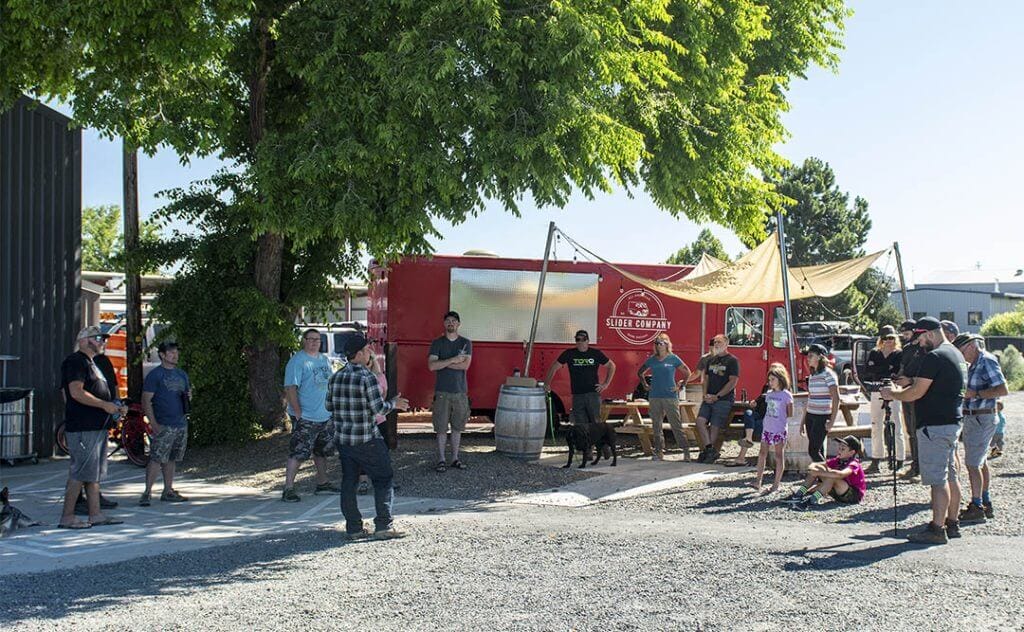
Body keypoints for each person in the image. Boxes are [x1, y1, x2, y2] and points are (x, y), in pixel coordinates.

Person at [883, 317, 969, 545]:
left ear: (929, 334)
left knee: (937, 480)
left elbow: (916, 393)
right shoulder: (956, 354)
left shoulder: (934, 356)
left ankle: (937, 529)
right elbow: (940, 382)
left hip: (935, 425)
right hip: (951, 422)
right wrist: (911, 380)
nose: (919, 344)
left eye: (920, 339)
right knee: (951, 476)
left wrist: (893, 393)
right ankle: (952, 522)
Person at [328, 334, 410, 540]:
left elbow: (328, 406)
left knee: (349, 482)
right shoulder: (368, 378)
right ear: (358, 354)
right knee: (383, 479)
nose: (370, 353)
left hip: (344, 440)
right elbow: (379, 408)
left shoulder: (336, 377)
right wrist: (395, 404)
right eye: (366, 350)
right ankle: (383, 526)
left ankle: (353, 528)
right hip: (367, 439)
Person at [58, 326, 127, 529]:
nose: (102, 341)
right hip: (83, 426)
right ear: (83, 340)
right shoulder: (76, 361)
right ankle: (67, 517)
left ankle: (95, 514)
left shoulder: (93, 363)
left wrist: (115, 407)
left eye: (103, 338)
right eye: (97, 338)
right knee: (80, 471)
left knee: (93, 473)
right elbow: (76, 392)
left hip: (97, 426)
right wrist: (104, 405)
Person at [953, 333, 1008, 523]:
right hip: (975, 416)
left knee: (973, 463)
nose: (961, 355)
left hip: (981, 417)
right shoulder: (974, 363)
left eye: (961, 351)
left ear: (970, 346)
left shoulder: (986, 361)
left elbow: (1003, 389)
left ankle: (977, 506)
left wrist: (976, 394)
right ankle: (985, 501)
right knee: (980, 461)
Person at [281, 329, 339, 502]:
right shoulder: (297, 361)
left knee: (321, 451)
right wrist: (297, 411)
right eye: (311, 339)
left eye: (317, 339)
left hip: (325, 415)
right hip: (306, 416)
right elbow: (290, 388)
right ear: (304, 341)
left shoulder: (324, 359)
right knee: (299, 451)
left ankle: (322, 483)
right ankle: (288, 488)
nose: (314, 342)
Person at [139, 342, 192, 506]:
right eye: (171, 352)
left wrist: (188, 397)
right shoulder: (155, 375)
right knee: (157, 457)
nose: (175, 355)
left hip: (180, 422)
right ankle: (147, 492)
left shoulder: (182, 374)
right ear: (162, 355)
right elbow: (146, 400)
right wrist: (153, 423)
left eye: (176, 352)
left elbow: (187, 395)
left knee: (171, 458)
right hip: (163, 423)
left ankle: (168, 490)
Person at [428, 311, 473, 472]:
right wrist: (453, 360)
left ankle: (455, 458)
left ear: (458, 324)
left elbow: (465, 365)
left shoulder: (466, 343)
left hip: (460, 391)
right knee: (441, 428)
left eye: (454, 321)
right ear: (444, 324)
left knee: (457, 428)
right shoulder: (437, 343)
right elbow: (432, 366)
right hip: (442, 392)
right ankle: (441, 459)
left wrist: (443, 363)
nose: (451, 323)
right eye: (448, 320)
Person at [544, 329, 616, 426]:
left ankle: (595, 436)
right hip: (577, 395)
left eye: (583, 339)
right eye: (578, 339)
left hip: (593, 394)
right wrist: (547, 383)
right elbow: (554, 367)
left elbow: (612, 365)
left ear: (588, 341)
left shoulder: (595, 353)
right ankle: (583, 436)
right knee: (580, 425)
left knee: (596, 423)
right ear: (575, 341)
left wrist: (606, 384)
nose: (581, 342)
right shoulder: (569, 353)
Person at [637, 333, 691, 461]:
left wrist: (681, 385)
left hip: (670, 396)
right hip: (655, 395)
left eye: (661, 342)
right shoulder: (652, 359)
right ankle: (659, 451)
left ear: (667, 344)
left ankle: (686, 451)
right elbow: (640, 372)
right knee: (656, 425)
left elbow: (687, 372)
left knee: (676, 424)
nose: (658, 345)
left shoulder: (673, 358)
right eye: (656, 343)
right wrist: (645, 384)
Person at [863, 326, 904, 473]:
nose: (888, 341)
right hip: (876, 389)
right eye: (885, 338)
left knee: (896, 423)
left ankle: (899, 459)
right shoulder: (875, 353)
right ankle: (876, 458)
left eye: (891, 338)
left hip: (893, 389)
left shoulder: (899, 354)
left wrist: (882, 369)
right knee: (876, 424)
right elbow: (869, 370)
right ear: (881, 339)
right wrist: (887, 368)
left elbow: (896, 371)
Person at [747, 364, 793, 493]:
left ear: (780, 379)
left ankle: (776, 484)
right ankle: (758, 481)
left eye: (773, 379)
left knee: (779, 455)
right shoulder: (768, 394)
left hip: (779, 429)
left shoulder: (786, 395)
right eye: (769, 380)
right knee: (762, 453)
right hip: (767, 427)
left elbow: (790, 413)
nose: (770, 382)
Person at [783, 436, 867, 507]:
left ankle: (811, 501)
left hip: (852, 496)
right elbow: (817, 464)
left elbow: (841, 475)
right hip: (840, 491)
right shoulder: (838, 460)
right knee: (819, 470)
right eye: (839, 448)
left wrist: (819, 473)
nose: (839, 451)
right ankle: (799, 494)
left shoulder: (854, 463)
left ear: (851, 452)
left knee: (832, 476)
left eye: (843, 449)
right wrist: (813, 469)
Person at [695, 335, 740, 464]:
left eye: (719, 342)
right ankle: (710, 450)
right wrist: (705, 395)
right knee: (700, 421)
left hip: (724, 399)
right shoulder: (710, 360)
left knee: (715, 426)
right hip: (709, 397)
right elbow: (706, 379)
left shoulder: (732, 361)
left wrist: (717, 396)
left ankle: (708, 452)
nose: (716, 344)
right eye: (715, 342)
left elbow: (733, 381)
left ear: (726, 344)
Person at [896, 319, 925, 478]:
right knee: (910, 431)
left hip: (919, 391)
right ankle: (915, 465)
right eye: (903, 334)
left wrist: (910, 380)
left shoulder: (924, 348)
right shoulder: (907, 348)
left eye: (907, 333)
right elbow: (902, 367)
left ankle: (921, 466)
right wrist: (897, 377)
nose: (905, 337)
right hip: (906, 392)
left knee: (918, 430)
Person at [802, 343, 839, 463]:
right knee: (818, 450)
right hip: (810, 415)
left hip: (822, 416)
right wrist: (803, 421)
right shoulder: (812, 376)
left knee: (813, 451)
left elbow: (836, 398)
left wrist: (832, 421)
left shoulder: (828, 374)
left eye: (811, 356)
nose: (808, 359)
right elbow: (810, 397)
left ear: (819, 357)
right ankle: (821, 474)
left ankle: (827, 473)